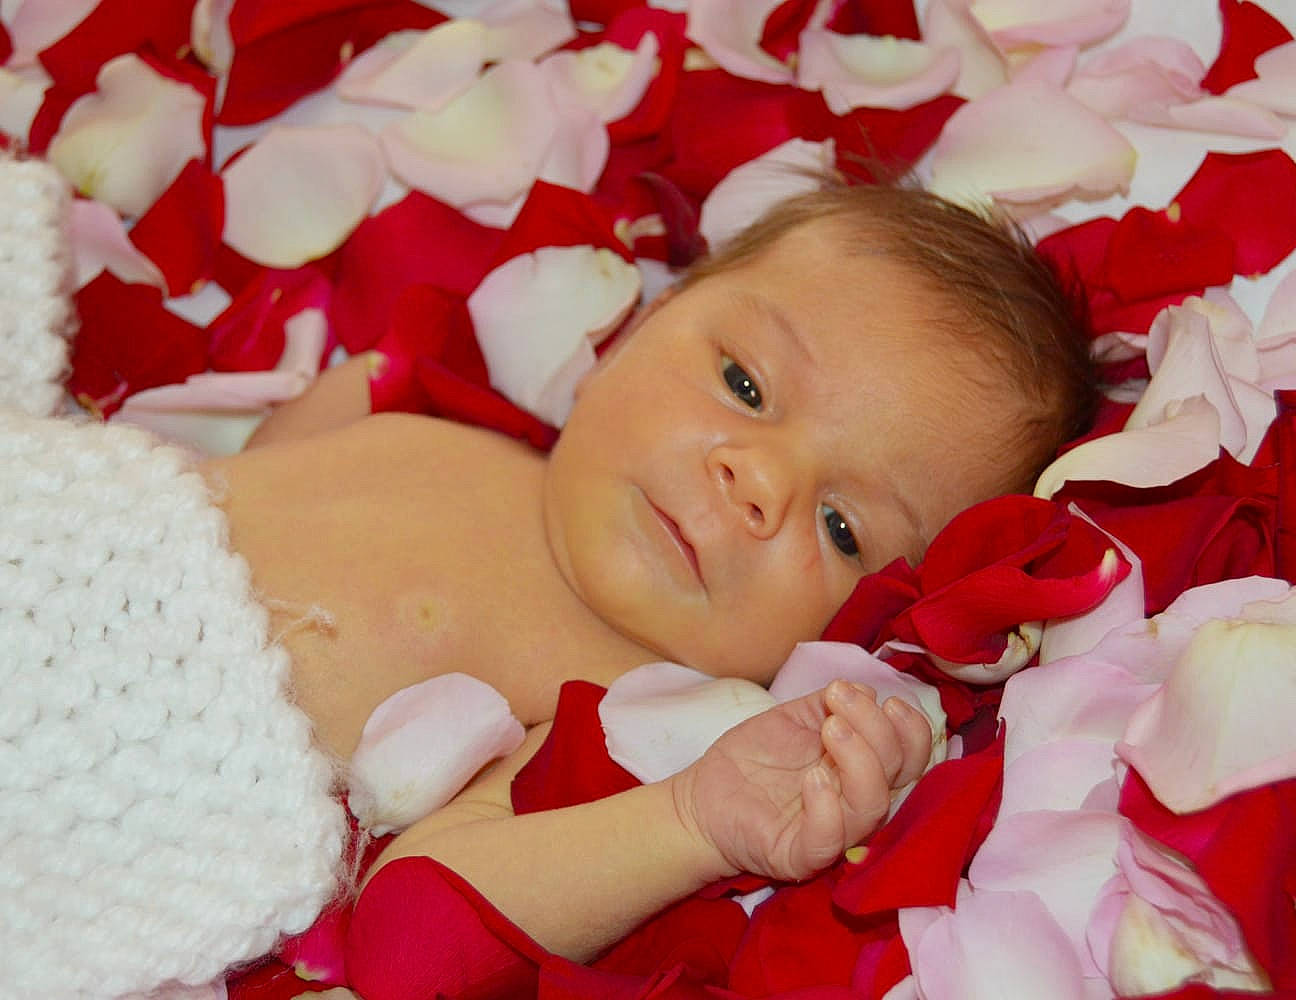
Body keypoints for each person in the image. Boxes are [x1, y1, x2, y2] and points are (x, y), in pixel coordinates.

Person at [204, 174, 1096, 981]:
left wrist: (689, 823)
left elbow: (405, 943)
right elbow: (228, 484)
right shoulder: (433, 420)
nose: (758, 479)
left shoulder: (607, 713)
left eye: (842, 528)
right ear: (637, 326)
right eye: (745, 384)